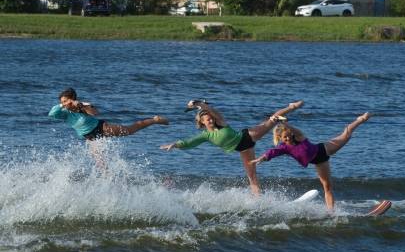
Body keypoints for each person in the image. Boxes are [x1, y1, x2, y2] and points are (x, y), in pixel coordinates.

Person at [160, 100, 304, 195]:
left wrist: (199, 103)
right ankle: (258, 201)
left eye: (211, 118)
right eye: (207, 119)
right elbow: (190, 142)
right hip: (243, 149)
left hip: (248, 136)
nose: (211, 119)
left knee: (271, 121)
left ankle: (291, 107)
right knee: (252, 176)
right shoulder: (205, 136)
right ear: (202, 122)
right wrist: (175, 145)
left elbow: (211, 109)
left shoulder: (221, 122)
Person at [251, 112, 371, 210]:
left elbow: (295, 130)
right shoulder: (284, 147)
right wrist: (262, 158)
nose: (288, 138)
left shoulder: (299, 137)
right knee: (327, 186)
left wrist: (284, 123)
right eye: (285, 137)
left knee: (346, 134)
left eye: (288, 135)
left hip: (325, 149)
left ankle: (360, 119)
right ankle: (331, 213)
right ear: (280, 138)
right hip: (319, 162)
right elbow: (272, 152)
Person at [48, 88, 169, 141]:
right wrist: (63, 105)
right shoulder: (64, 113)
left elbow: (95, 113)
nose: (64, 103)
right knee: (100, 162)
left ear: (73, 98)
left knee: (130, 130)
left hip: (101, 128)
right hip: (89, 137)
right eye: (62, 101)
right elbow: (51, 114)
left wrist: (80, 105)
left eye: (66, 100)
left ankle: (154, 120)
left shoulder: (82, 104)